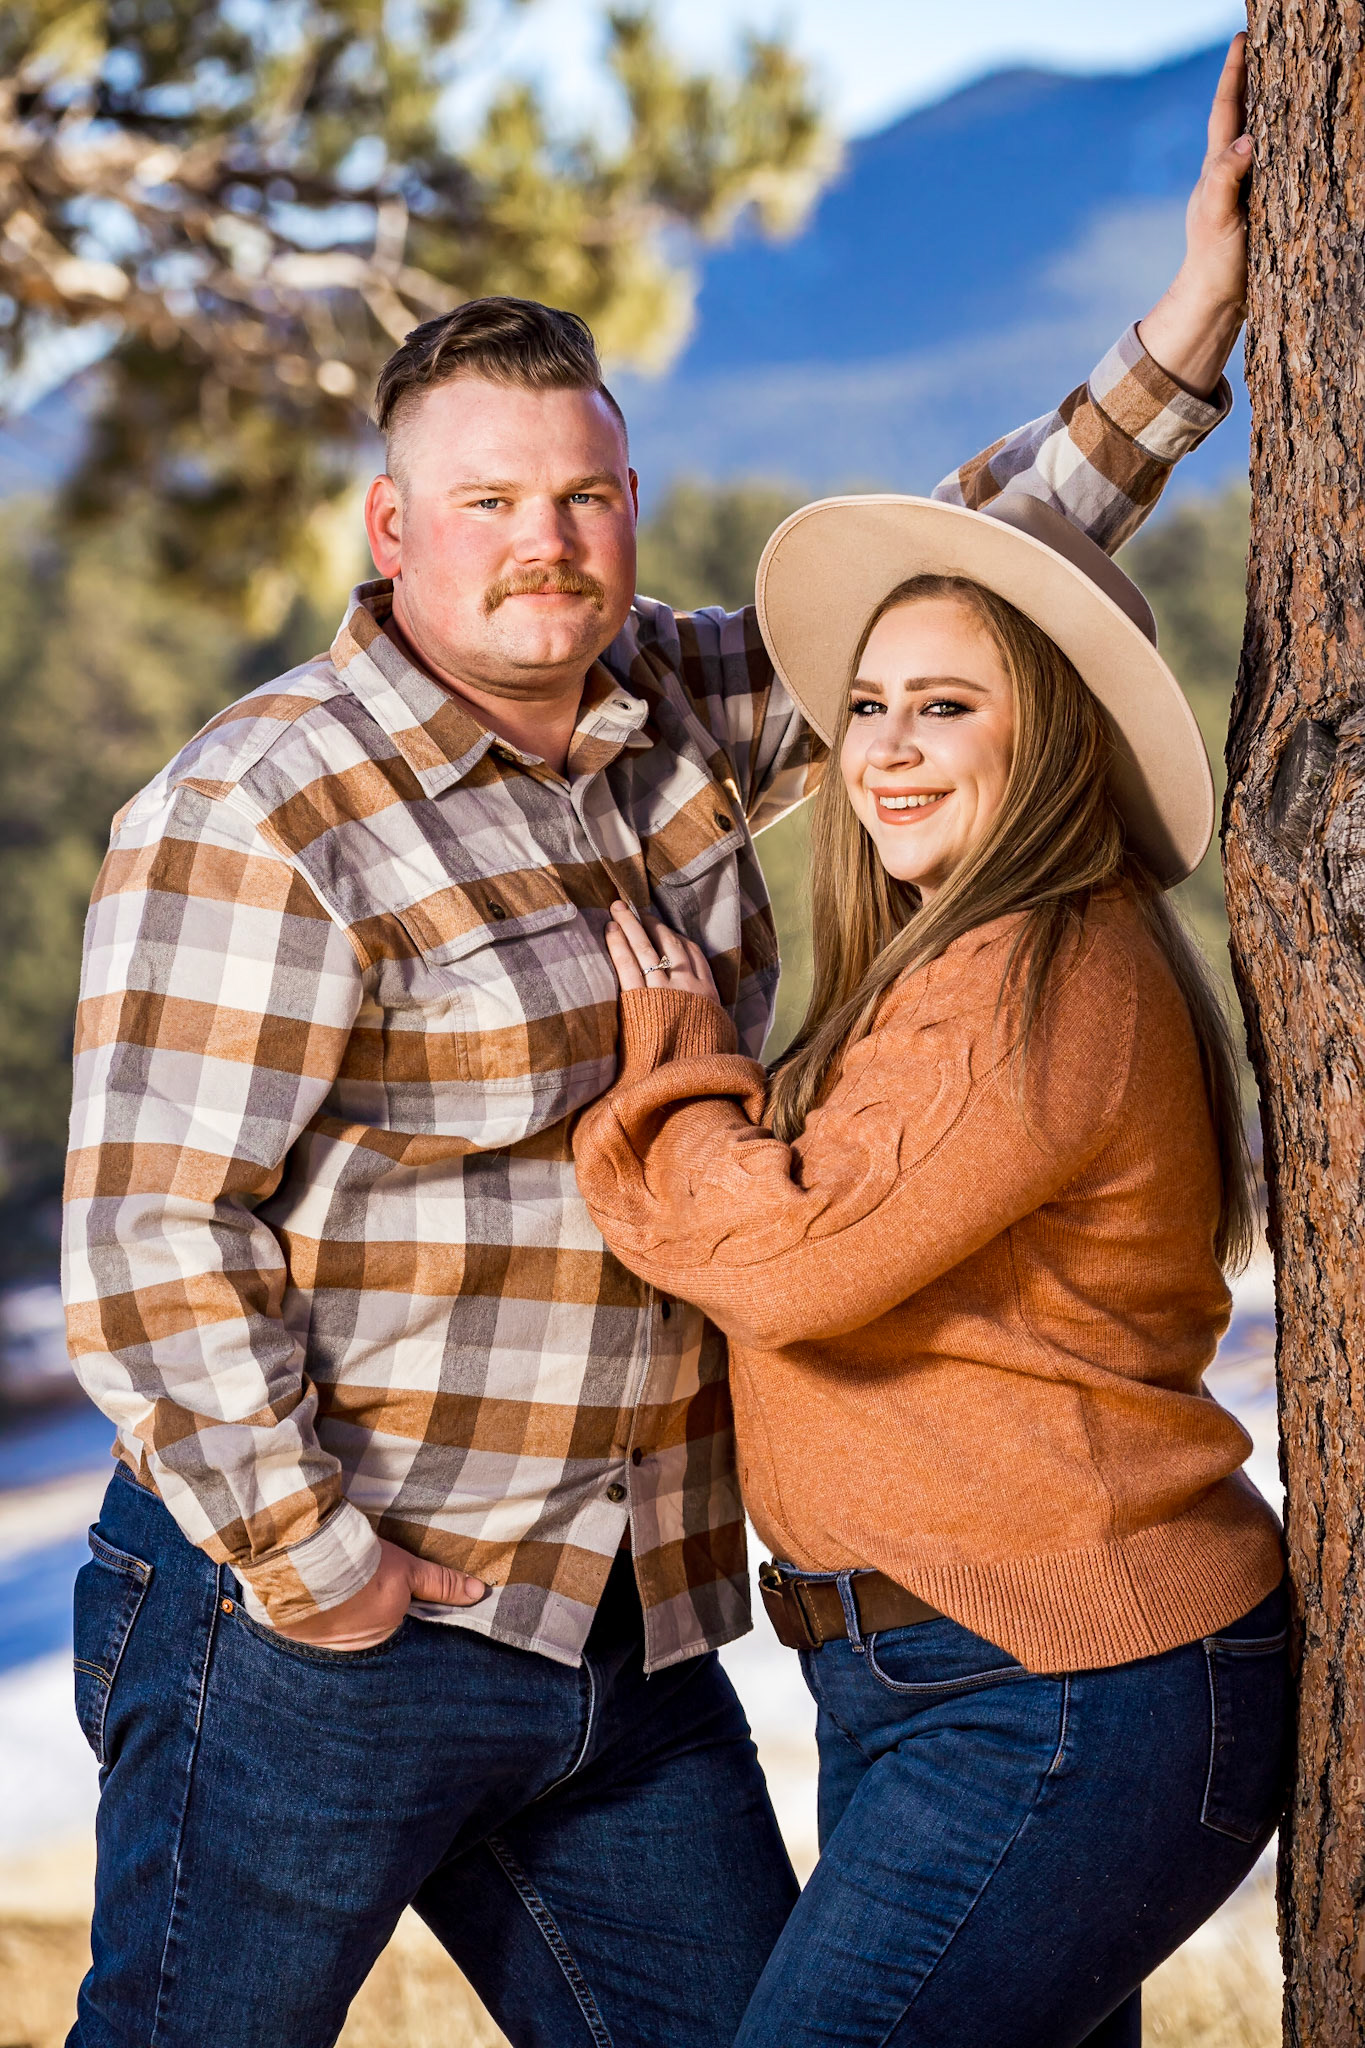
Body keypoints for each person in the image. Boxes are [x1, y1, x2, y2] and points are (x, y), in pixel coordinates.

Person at [62, 38, 1257, 2048]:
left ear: (625, 509)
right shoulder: (263, 806)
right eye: (488, 502)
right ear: (389, 527)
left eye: (582, 495)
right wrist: (317, 1562)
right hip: (327, 1631)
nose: (545, 538)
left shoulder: (672, 710)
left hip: (619, 1638)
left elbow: (964, 591)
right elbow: (148, 1232)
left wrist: (1192, 324)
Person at [573, 489, 1288, 2048]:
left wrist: (676, 1077)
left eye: (946, 707)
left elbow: (789, 1261)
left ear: (1051, 741)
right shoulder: (968, 962)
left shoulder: (1037, 968)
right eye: (868, 708)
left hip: (1060, 1685)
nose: (886, 750)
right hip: (955, 1676)